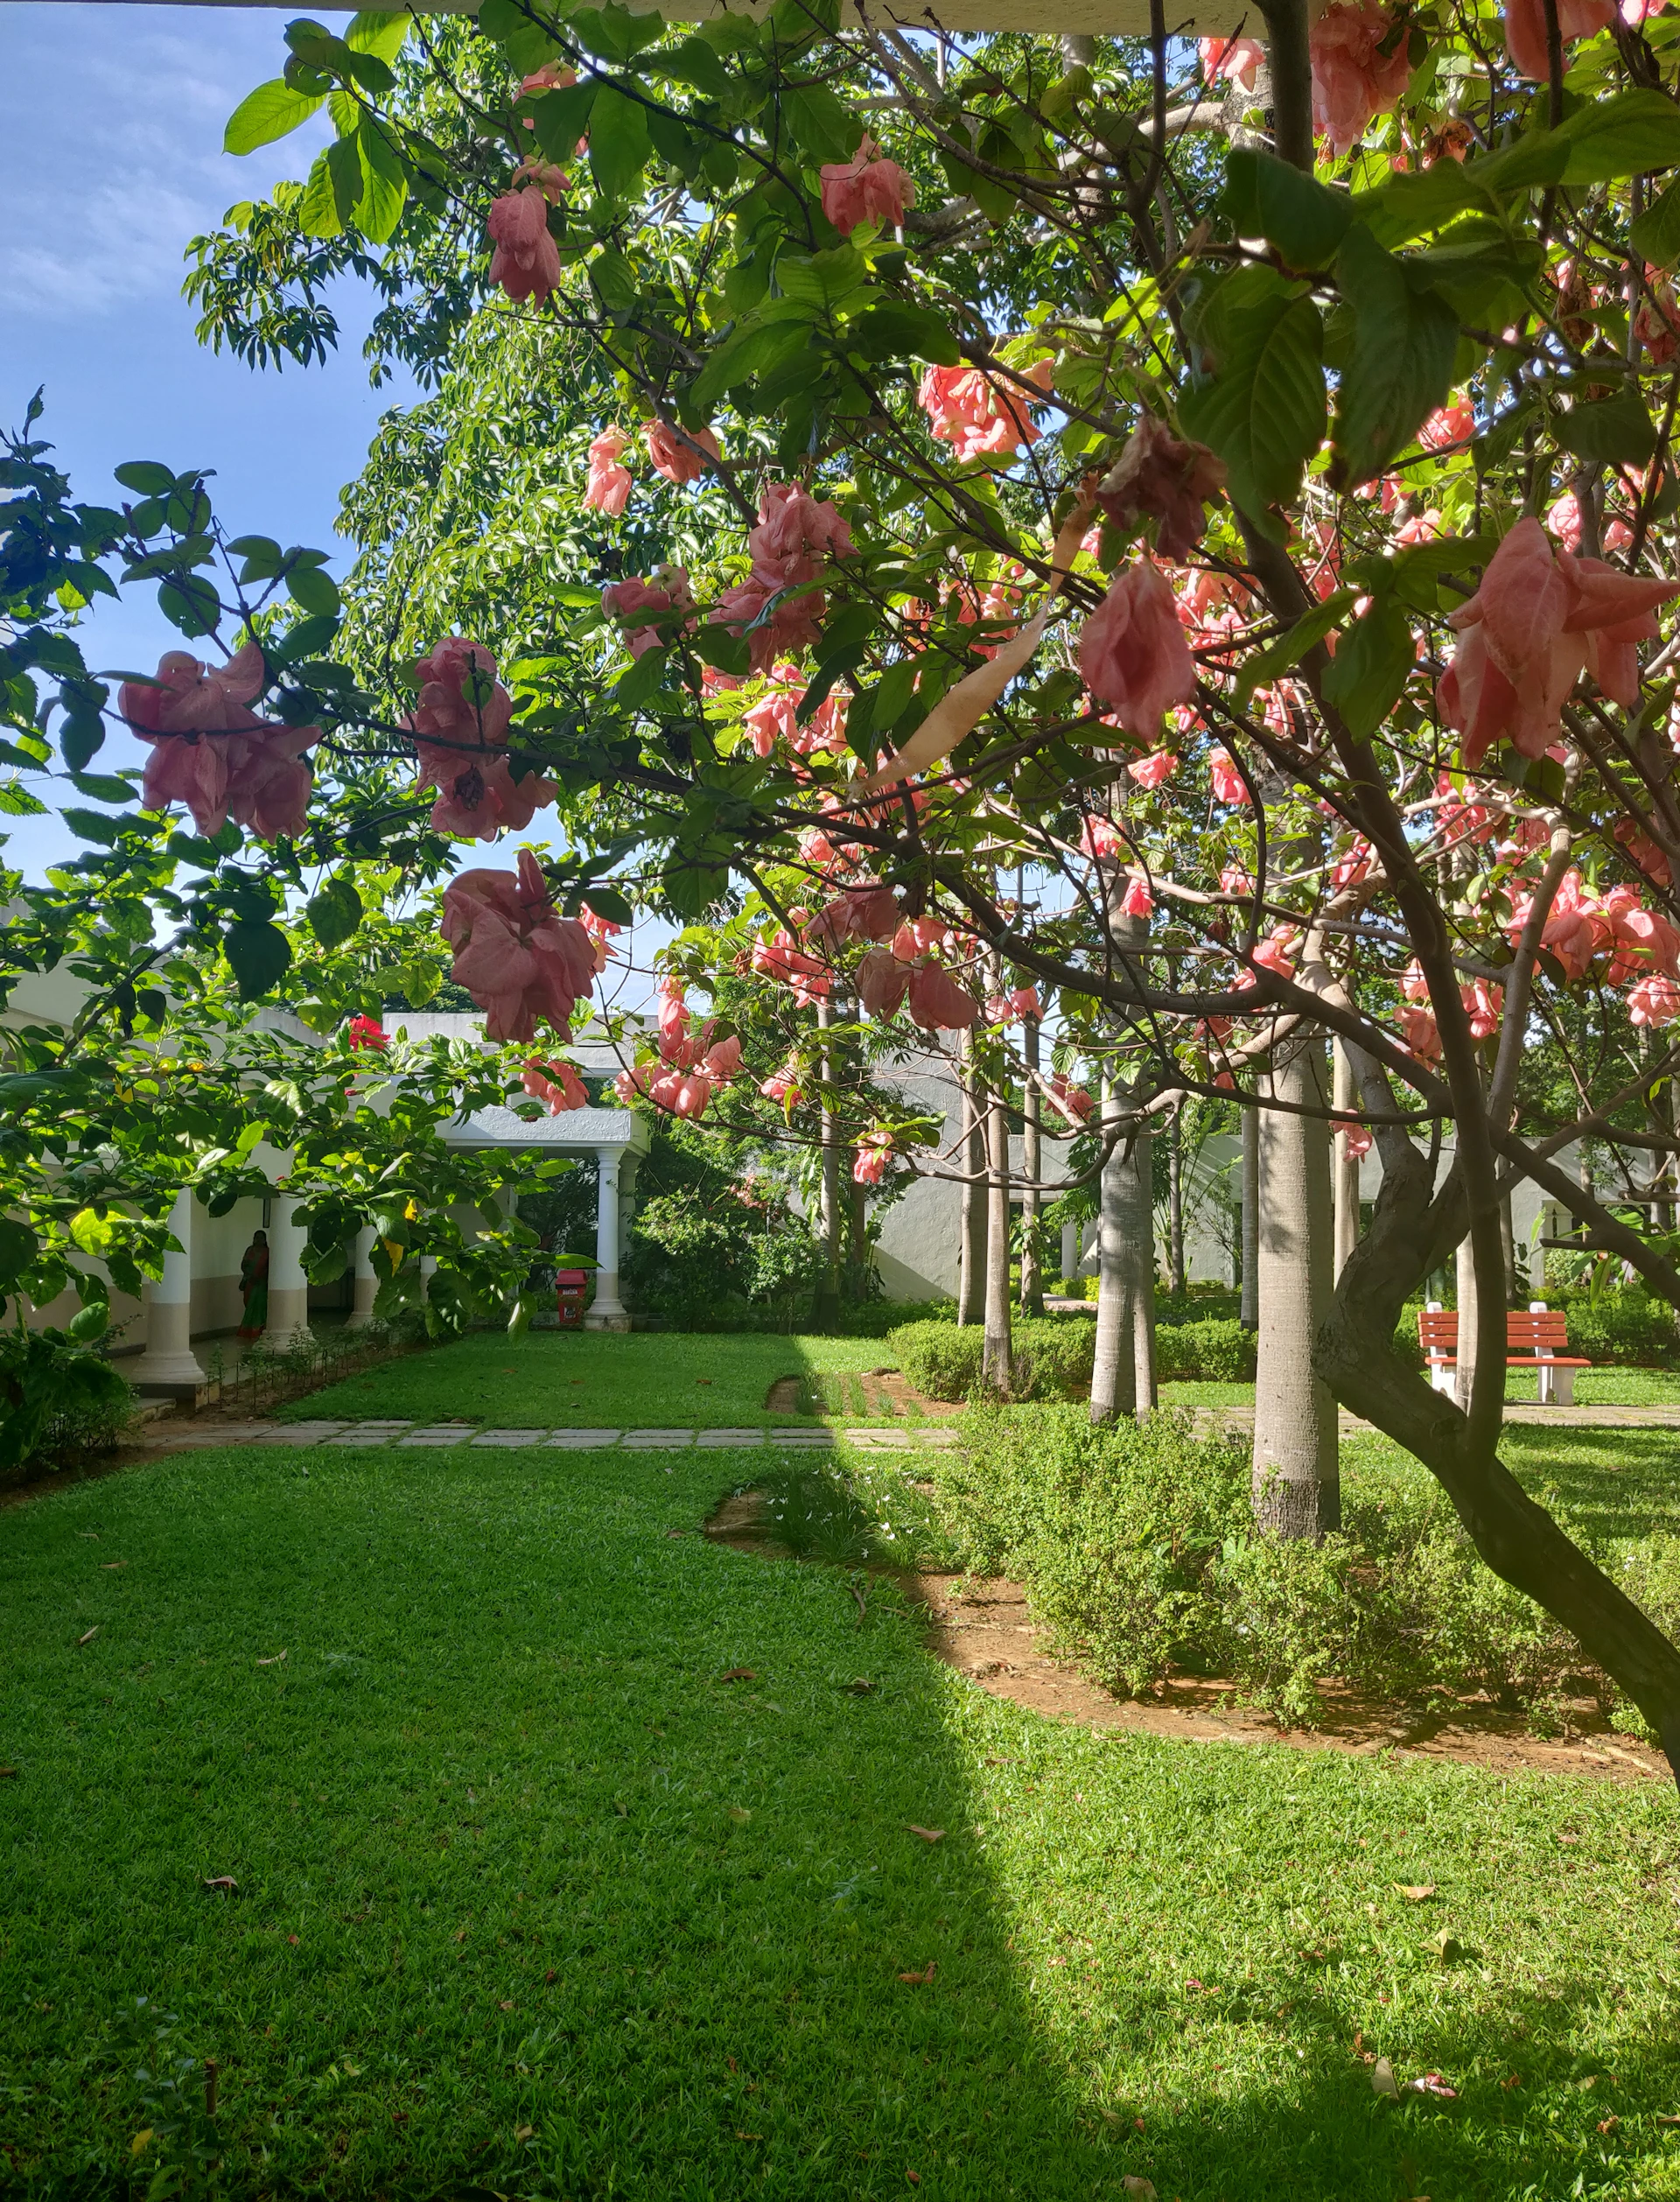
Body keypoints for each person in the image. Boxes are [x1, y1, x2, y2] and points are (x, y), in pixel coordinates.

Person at [237, 1229, 270, 1340]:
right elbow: (243, 1265)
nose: (258, 1240)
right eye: (256, 1238)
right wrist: (249, 1275)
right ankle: (247, 1330)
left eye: (261, 1238)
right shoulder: (250, 1250)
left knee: (259, 1306)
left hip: (261, 1284)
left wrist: (259, 1276)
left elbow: (268, 1267)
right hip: (249, 1282)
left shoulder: (268, 1252)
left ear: (265, 1240)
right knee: (249, 1304)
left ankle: (258, 1330)